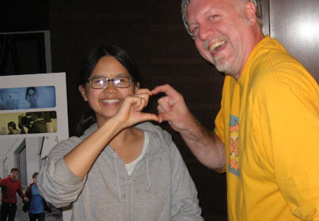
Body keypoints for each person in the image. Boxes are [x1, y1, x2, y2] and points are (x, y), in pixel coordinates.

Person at [152, 0, 319, 221]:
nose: (204, 34)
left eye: (213, 17)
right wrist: (185, 124)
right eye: (195, 29)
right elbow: (224, 155)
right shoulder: (236, 79)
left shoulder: (275, 86)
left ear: (249, 13)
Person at [37, 46, 203, 221]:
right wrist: (116, 123)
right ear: (84, 92)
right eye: (99, 81)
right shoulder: (71, 150)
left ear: (136, 88)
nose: (110, 90)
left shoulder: (161, 144)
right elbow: (55, 193)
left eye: (120, 80)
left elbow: (187, 210)